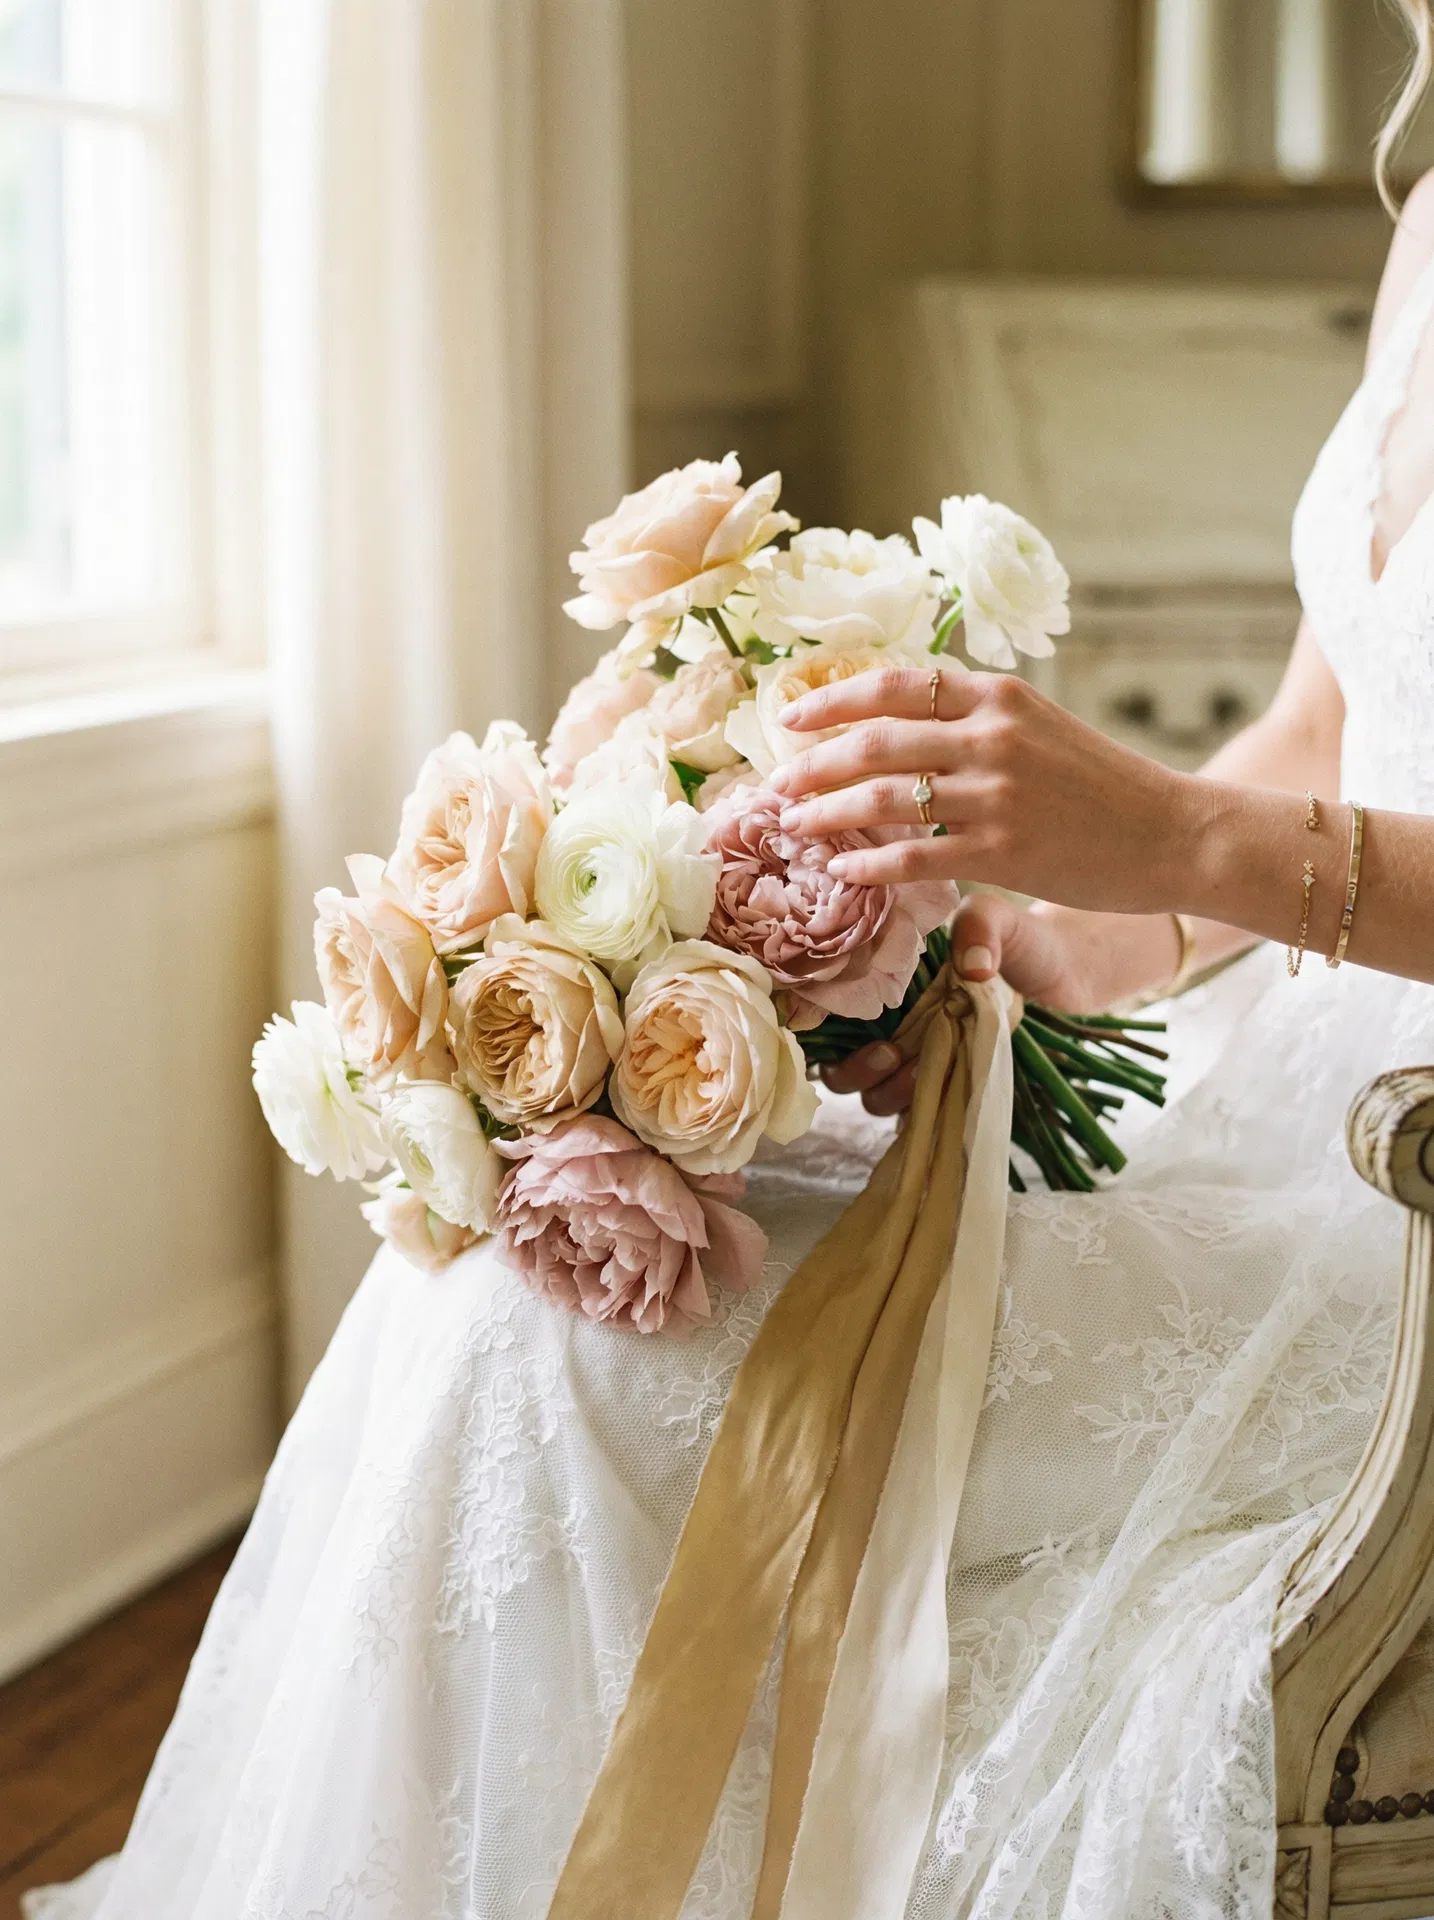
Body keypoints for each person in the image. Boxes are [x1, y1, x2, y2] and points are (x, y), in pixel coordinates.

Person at [27, 11, 1434, 1916]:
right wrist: (1037, 921)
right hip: (1284, 1071)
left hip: (1397, 1204)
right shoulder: (1424, 215)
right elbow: (1317, 734)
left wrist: (1176, 837)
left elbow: (1237, 817)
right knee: (528, 1278)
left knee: (596, 1348)